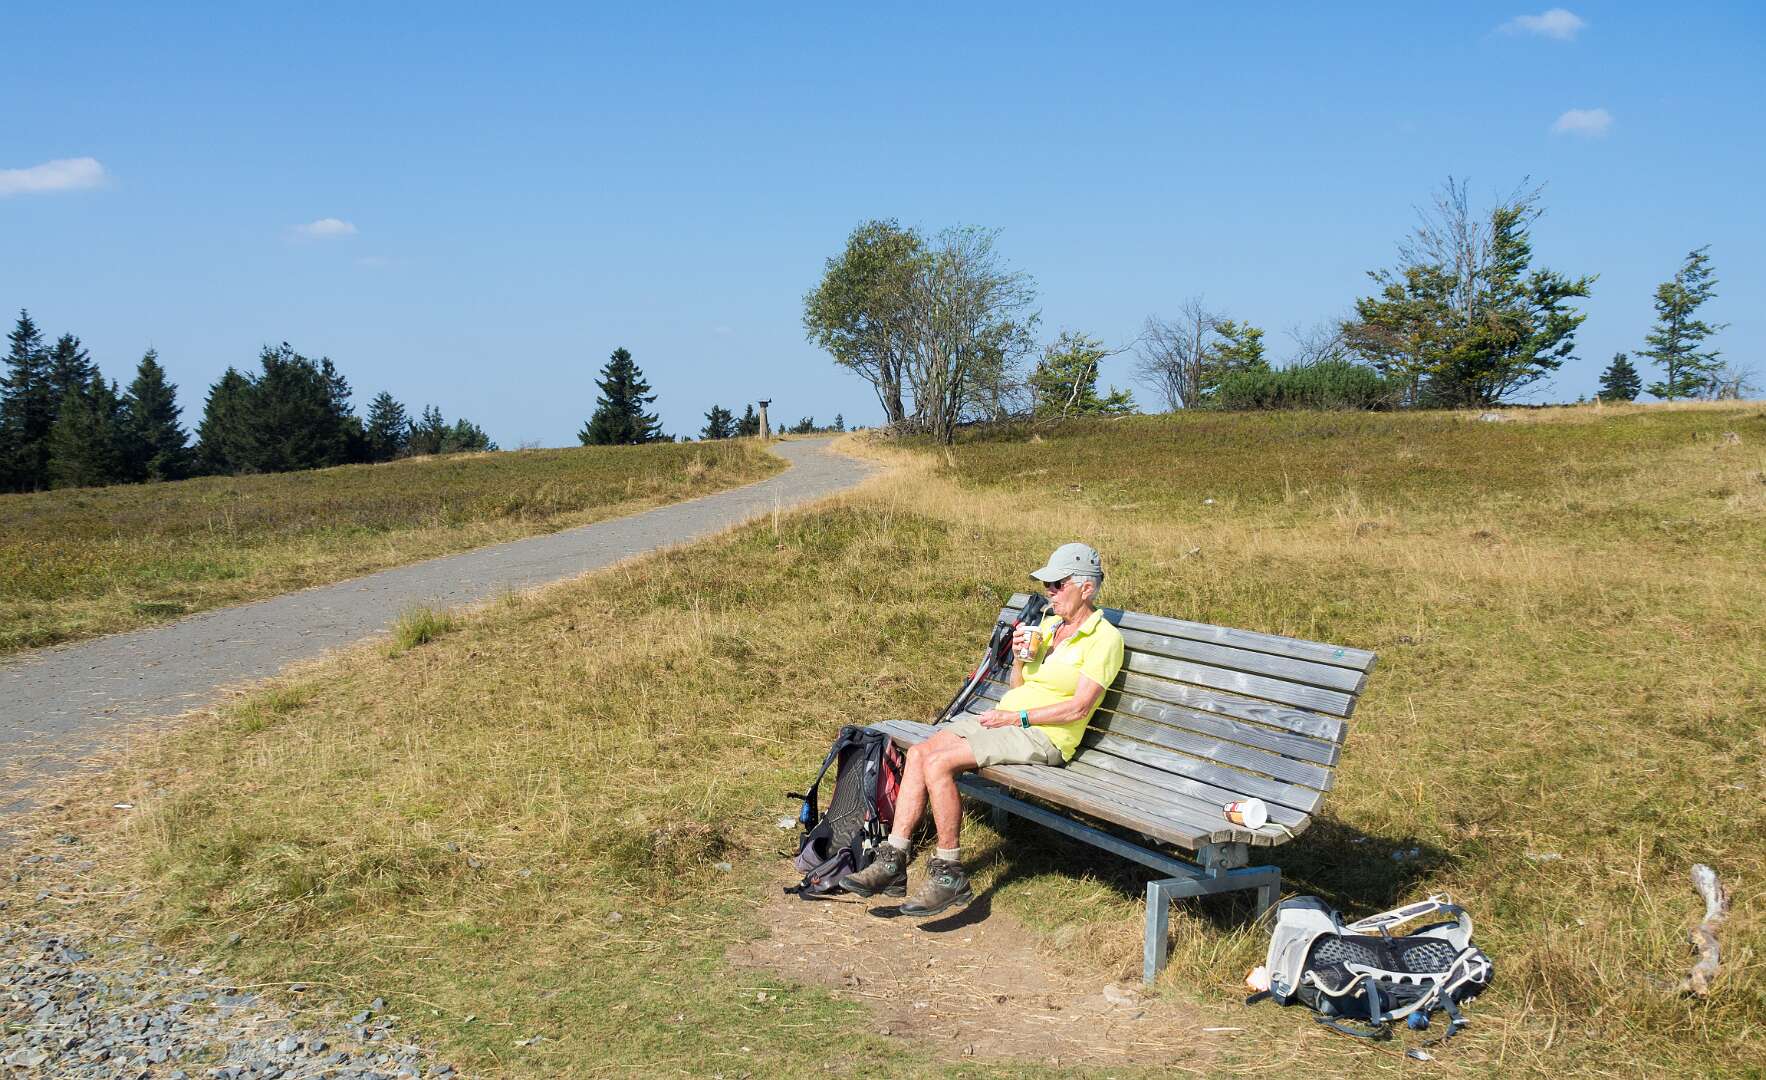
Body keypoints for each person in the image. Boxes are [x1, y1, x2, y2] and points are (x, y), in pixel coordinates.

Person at [838, 543, 1126, 916]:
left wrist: (1017, 719)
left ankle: (949, 873)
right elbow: (1018, 689)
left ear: (1086, 588)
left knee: (939, 763)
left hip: (1045, 735)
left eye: (1057, 585)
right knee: (921, 752)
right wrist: (1020, 660)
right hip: (1006, 719)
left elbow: (1079, 707)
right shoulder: (1050, 627)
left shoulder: (1104, 639)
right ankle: (893, 860)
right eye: (1046, 586)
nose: (1049, 593)